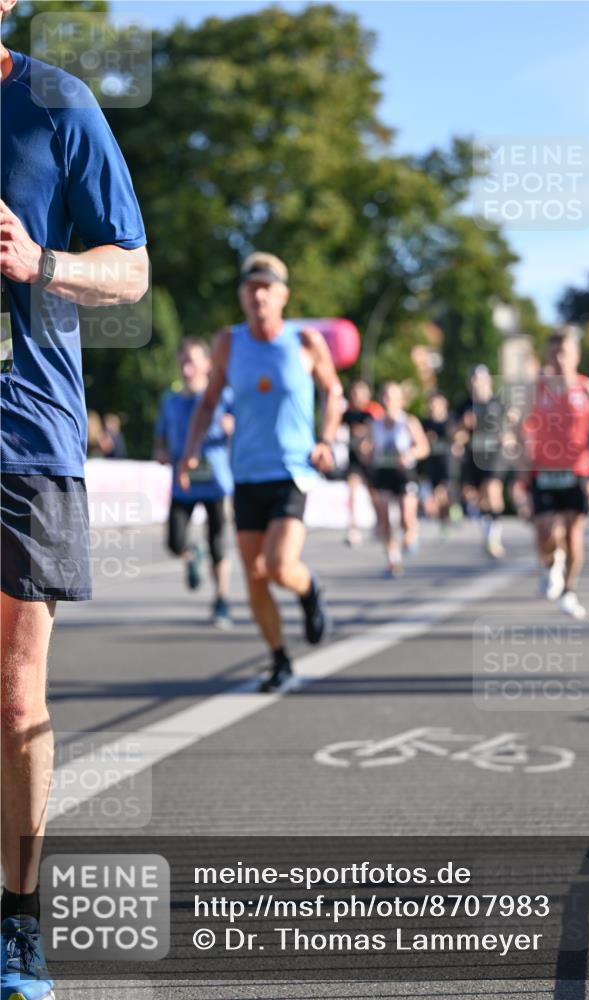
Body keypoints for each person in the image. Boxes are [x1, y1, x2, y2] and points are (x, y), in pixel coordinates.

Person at [0, 10, 149, 1000]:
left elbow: (130, 270)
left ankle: (18, 921)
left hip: (24, 433)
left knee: (14, 694)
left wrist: (39, 264)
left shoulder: (55, 100)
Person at [178, 253, 342, 691]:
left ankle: (309, 592)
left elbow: (334, 392)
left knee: (277, 565)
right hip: (246, 474)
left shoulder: (305, 341)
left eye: (267, 287)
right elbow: (209, 401)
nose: (259, 295)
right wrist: (189, 450)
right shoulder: (228, 343)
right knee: (254, 576)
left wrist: (325, 439)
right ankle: (279, 658)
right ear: (242, 296)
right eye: (251, 288)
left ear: (283, 295)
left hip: (292, 472)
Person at [516, 328, 589, 619]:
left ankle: (570, 590)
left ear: (576, 356)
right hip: (543, 470)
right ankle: (550, 564)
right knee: (545, 531)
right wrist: (523, 457)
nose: (559, 360)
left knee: (573, 534)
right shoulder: (535, 389)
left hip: (577, 470)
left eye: (565, 353)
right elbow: (520, 426)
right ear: (547, 356)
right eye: (554, 353)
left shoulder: (588, 389)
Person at [154, 338, 234, 629]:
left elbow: (245, 428)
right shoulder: (170, 400)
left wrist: (232, 428)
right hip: (183, 483)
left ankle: (222, 601)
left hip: (216, 482)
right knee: (174, 542)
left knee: (219, 545)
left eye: (193, 359)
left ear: (207, 364)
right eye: (183, 359)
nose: (187, 366)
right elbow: (160, 437)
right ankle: (190, 554)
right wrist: (161, 451)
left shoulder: (223, 397)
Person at [370, 381, 430, 577]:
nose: (388, 401)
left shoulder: (408, 422)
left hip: (404, 474)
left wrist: (410, 454)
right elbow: (366, 449)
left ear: (400, 401)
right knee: (385, 518)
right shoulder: (374, 424)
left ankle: (412, 530)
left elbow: (424, 447)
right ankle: (393, 560)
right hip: (383, 473)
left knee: (405, 517)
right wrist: (366, 453)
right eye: (385, 396)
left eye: (392, 397)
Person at [458, 364, 508, 558]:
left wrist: (508, 435)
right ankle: (489, 532)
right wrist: (462, 426)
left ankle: (494, 537)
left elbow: (511, 424)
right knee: (477, 497)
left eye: (479, 378)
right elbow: (455, 434)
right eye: (472, 379)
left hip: (494, 453)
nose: (475, 383)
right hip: (473, 455)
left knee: (493, 490)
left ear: (488, 380)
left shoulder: (498, 403)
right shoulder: (464, 405)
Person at [340, 379, 377, 546]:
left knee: (373, 493)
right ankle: (353, 528)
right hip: (354, 459)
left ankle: (379, 522)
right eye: (354, 392)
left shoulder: (373, 412)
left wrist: (366, 439)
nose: (357, 396)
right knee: (352, 491)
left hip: (371, 460)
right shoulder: (346, 414)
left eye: (361, 392)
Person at [419, 391, 456, 532]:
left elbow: (460, 436)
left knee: (442, 492)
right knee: (438, 496)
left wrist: (456, 440)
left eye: (437, 404)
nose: (433, 407)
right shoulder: (425, 423)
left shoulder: (451, 421)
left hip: (448, 463)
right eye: (431, 405)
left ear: (444, 405)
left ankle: (449, 514)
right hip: (431, 464)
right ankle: (444, 519)